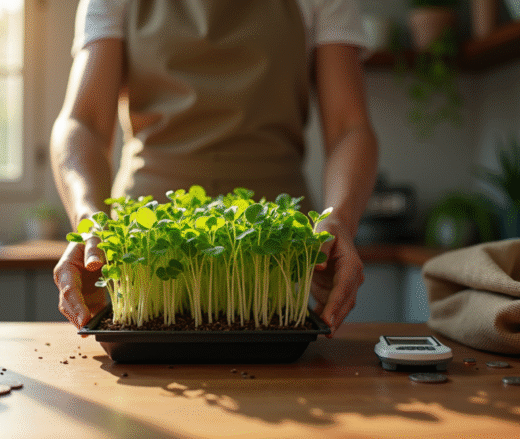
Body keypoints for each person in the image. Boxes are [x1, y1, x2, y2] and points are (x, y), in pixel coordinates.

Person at [51, 0, 378, 335]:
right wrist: (88, 216)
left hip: (276, 252)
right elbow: (84, 121)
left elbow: (348, 128)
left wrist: (339, 216)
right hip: (147, 245)